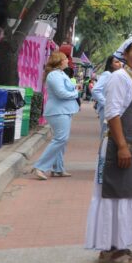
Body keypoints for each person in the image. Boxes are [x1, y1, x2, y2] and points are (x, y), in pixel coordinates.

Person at [84, 37, 132, 263]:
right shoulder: (119, 77)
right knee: (115, 196)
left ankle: (120, 246)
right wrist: (122, 146)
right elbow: (112, 113)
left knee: (129, 195)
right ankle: (111, 251)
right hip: (119, 146)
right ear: (125, 54)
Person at [31, 52, 80, 180]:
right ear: (60, 61)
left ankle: (58, 169)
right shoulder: (54, 75)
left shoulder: (60, 74)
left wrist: (74, 89)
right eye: (65, 59)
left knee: (61, 139)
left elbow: (65, 90)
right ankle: (40, 167)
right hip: (58, 111)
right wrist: (76, 93)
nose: (67, 61)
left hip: (63, 111)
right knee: (61, 139)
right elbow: (61, 93)